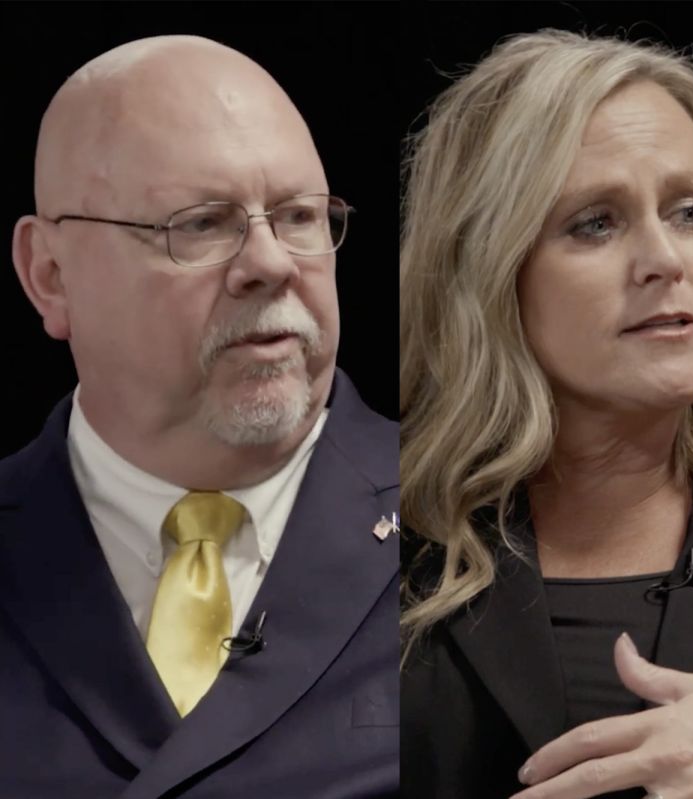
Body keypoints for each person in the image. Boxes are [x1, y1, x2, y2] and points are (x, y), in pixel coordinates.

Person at [398, 29, 693, 799]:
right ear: (491, 268)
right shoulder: (381, 560)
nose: (665, 259)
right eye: (597, 223)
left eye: (689, 211)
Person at [0, 35, 399, 797]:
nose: (272, 263)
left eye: (299, 216)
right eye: (202, 223)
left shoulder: (468, 525)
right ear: (50, 276)